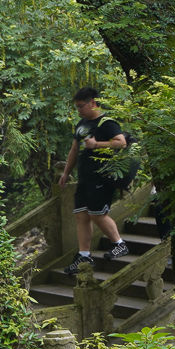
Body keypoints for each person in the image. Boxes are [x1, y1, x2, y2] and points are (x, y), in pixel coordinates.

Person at [59, 87, 131, 275]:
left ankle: (119, 244)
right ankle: (84, 255)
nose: (79, 110)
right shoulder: (81, 125)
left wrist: (96, 144)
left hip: (102, 176)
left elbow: (121, 142)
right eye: (77, 107)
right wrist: (66, 173)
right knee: (81, 215)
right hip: (85, 177)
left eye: (81, 106)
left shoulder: (107, 123)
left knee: (97, 214)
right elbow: (74, 149)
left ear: (93, 103)